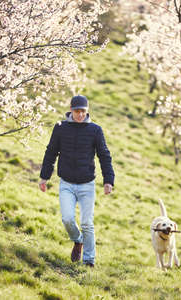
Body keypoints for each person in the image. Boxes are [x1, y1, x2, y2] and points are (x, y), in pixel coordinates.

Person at [39, 95, 114, 267]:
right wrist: (44, 177)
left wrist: (108, 180)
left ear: (87, 112)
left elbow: (104, 156)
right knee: (67, 219)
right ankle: (77, 240)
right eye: (77, 111)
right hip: (66, 184)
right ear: (71, 111)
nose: (80, 114)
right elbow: (51, 152)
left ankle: (89, 260)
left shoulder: (95, 130)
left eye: (83, 111)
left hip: (87, 185)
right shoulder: (60, 128)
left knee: (87, 223)